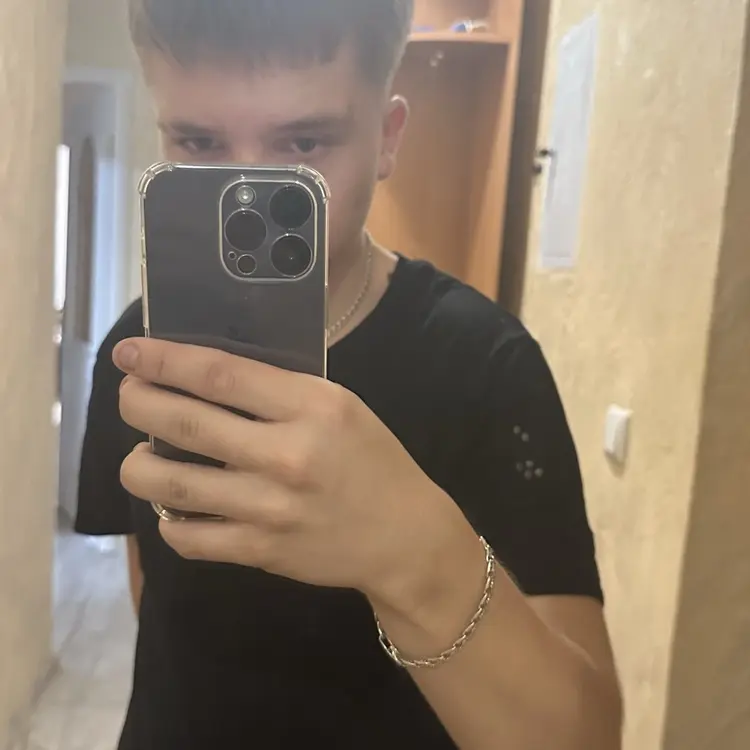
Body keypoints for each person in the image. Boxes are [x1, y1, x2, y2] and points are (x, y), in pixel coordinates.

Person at [75, 1, 623, 748]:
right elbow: (160, 604)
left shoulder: (487, 366)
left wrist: (411, 553)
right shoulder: (139, 352)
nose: (249, 193)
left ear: (387, 137)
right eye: (199, 142)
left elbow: (583, 739)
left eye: (304, 142)